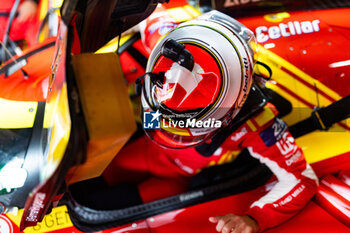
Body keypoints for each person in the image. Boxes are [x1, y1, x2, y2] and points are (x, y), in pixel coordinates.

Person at [102, 10, 318, 233]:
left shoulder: (258, 122)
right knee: (97, 182)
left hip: (178, 179)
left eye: (189, 122)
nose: (180, 128)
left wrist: (255, 219)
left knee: (108, 206)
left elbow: (302, 180)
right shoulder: (166, 42)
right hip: (148, 150)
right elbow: (153, 12)